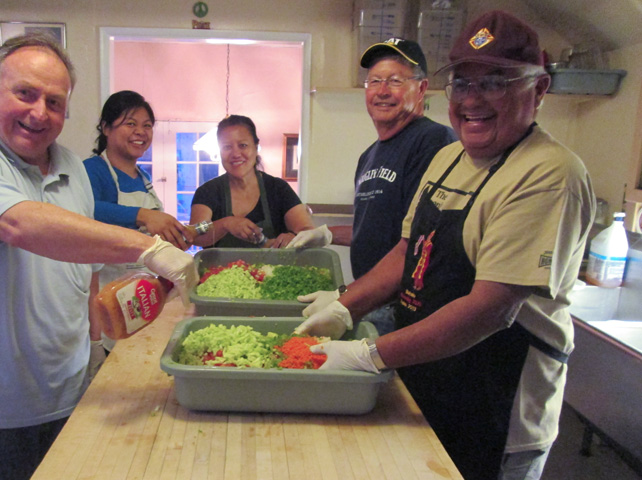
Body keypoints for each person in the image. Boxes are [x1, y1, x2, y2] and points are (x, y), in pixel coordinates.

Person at [296, 11, 595, 480]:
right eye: (462, 84)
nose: (473, 100)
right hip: (430, 377)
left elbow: (490, 310)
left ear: (538, 91)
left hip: (496, 402)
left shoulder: (549, 174)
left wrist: (367, 354)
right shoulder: (449, 157)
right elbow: (406, 252)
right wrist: (344, 308)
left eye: (495, 82)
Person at [0, 34, 197, 480]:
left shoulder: (69, 166)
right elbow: (20, 224)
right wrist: (150, 246)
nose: (38, 112)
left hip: (71, 393)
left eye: (54, 101)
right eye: (24, 93)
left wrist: (97, 351)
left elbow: (83, 271)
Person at [289, 38, 456, 335]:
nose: (382, 91)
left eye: (395, 81)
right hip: (375, 300)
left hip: (408, 307)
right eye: (375, 81)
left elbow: (417, 243)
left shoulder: (431, 141)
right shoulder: (369, 156)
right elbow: (376, 230)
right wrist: (326, 234)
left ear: (420, 88)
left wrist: (345, 296)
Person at [84, 91, 193, 356]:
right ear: (106, 127)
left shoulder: (142, 176)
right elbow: (88, 210)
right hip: (104, 298)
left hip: (139, 297)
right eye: (130, 123)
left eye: (147, 126)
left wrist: (171, 235)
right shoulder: (92, 169)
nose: (141, 132)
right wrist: (143, 215)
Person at [189, 114, 316, 248]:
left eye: (243, 145)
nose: (236, 154)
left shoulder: (278, 189)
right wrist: (226, 224)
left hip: (272, 268)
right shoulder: (207, 192)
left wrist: (294, 237)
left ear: (256, 147)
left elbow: (308, 231)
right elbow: (196, 234)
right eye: (227, 147)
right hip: (219, 269)